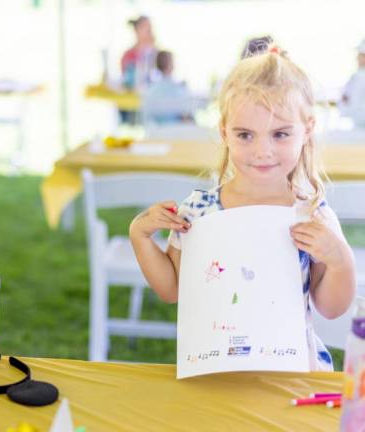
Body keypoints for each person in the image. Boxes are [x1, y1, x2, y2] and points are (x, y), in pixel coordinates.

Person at [129, 45, 356, 371]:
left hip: (293, 374)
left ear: (306, 130)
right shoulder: (199, 211)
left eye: (280, 134)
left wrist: (340, 260)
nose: (262, 151)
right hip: (217, 369)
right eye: (245, 135)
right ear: (225, 132)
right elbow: (172, 289)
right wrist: (140, 235)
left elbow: (331, 307)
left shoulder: (311, 213)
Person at [119, 15, 158, 124]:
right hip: (133, 107)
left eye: (150, 27)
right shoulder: (128, 55)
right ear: (137, 30)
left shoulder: (156, 53)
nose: (150, 30)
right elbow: (125, 81)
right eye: (146, 27)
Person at [141, 50, 194, 125]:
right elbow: (187, 114)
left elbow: (146, 117)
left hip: (156, 132)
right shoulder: (180, 90)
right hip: (177, 132)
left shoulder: (150, 91)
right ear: (171, 65)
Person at [340, 38, 365, 127]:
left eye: (360, 55)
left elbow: (352, 104)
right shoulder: (357, 77)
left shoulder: (361, 78)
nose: (357, 58)